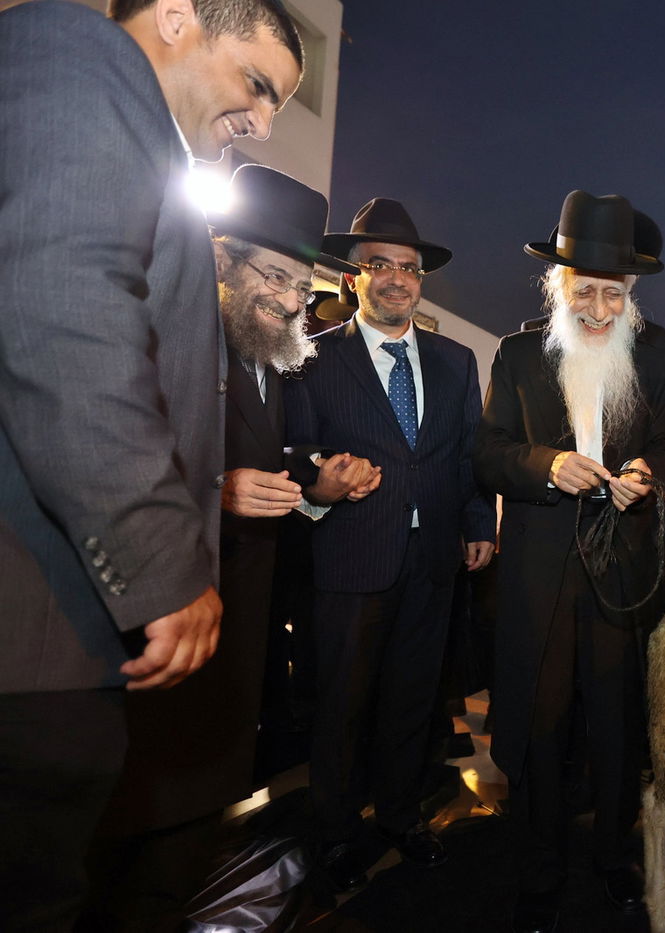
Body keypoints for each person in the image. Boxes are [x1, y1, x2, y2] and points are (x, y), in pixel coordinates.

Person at [0, 2, 302, 928]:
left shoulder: (141, 137)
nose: (258, 124)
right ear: (176, 14)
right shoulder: (75, 54)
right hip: (35, 630)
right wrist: (165, 563)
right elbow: (64, 317)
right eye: (256, 84)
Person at [80, 166, 383, 929]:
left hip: (234, 638)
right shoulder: (159, 330)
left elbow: (266, 465)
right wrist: (216, 487)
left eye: (299, 281)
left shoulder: (269, 356)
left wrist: (314, 490)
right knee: (120, 845)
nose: (291, 298)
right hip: (161, 626)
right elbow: (106, 454)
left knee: (184, 839)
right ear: (221, 259)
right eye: (274, 275)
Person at [473, 190, 665, 933]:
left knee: (619, 726)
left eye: (613, 294)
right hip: (540, 578)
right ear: (557, 286)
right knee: (540, 726)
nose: (598, 309)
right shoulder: (519, 354)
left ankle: (612, 859)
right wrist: (547, 464)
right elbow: (488, 453)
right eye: (584, 291)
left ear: (632, 294)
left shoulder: (654, 357)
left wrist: (650, 475)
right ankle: (539, 868)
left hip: (622, 572)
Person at [284, 198, 497, 890]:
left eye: (409, 267)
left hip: (434, 560)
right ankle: (337, 834)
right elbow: (294, 452)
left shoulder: (456, 360)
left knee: (413, 702)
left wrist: (477, 525)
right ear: (354, 277)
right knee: (342, 705)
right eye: (380, 264)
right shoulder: (312, 359)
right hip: (350, 557)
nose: (397, 278)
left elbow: (469, 456)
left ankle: (401, 817)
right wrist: (319, 486)